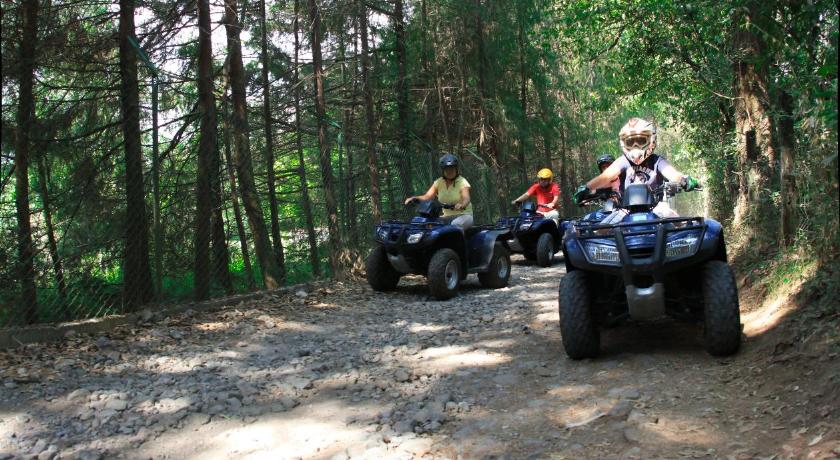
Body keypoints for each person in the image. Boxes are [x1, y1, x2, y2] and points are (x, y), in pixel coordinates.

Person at [573, 117, 699, 219]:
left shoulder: (657, 161)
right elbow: (606, 176)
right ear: (624, 143)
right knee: (603, 230)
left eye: (640, 140)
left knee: (677, 223)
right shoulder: (623, 161)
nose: (635, 146)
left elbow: (672, 173)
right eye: (630, 142)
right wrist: (587, 188)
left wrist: (684, 179)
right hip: (624, 210)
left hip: (657, 207)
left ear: (651, 140)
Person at [404, 153, 473, 230]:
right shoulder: (439, 182)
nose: (449, 171)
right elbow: (427, 197)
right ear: (443, 170)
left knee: (454, 226)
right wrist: (414, 198)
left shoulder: (462, 181)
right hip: (446, 217)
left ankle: (458, 242)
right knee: (426, 224)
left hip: (463, 215)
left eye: (452, 168)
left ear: (456, 169)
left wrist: (462, 205)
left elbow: (466, 198)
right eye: (446, 169)